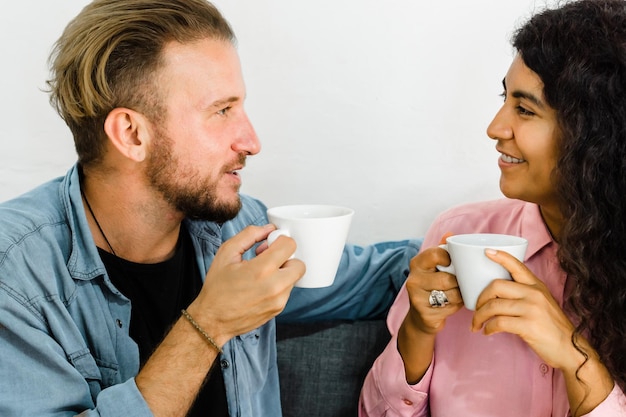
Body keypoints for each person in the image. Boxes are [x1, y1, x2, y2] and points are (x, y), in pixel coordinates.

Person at [0, 1, 422, 416]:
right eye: (221, 111)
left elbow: (384, 277)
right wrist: (209, 324)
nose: (251, 141)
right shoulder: (16, 277)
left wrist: (472, 243)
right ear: (130, 134)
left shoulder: (238, 228)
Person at [359, 0, 626, 416]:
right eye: (505, 99)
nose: (495, 128)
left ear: (597, 136)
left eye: (524, 109)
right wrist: (417, 330)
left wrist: (576, 360)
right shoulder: (457, 233)